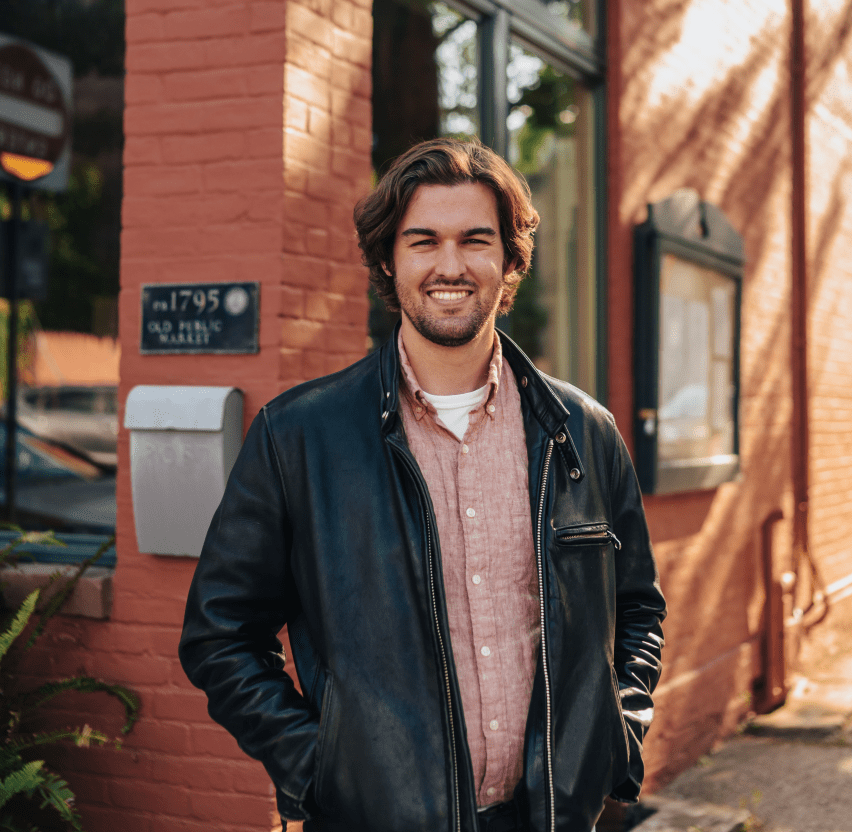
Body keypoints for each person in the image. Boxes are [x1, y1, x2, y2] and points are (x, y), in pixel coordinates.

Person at [179, 138, 666, 832]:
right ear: (388, 260)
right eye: (422, 241)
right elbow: (218, 636)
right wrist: (321, 771)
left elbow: (637, 610)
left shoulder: (582, 433)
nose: (450, 266)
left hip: (548, 817)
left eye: (475, 240)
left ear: (509, 260)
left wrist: (613, 739)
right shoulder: (299, 437)